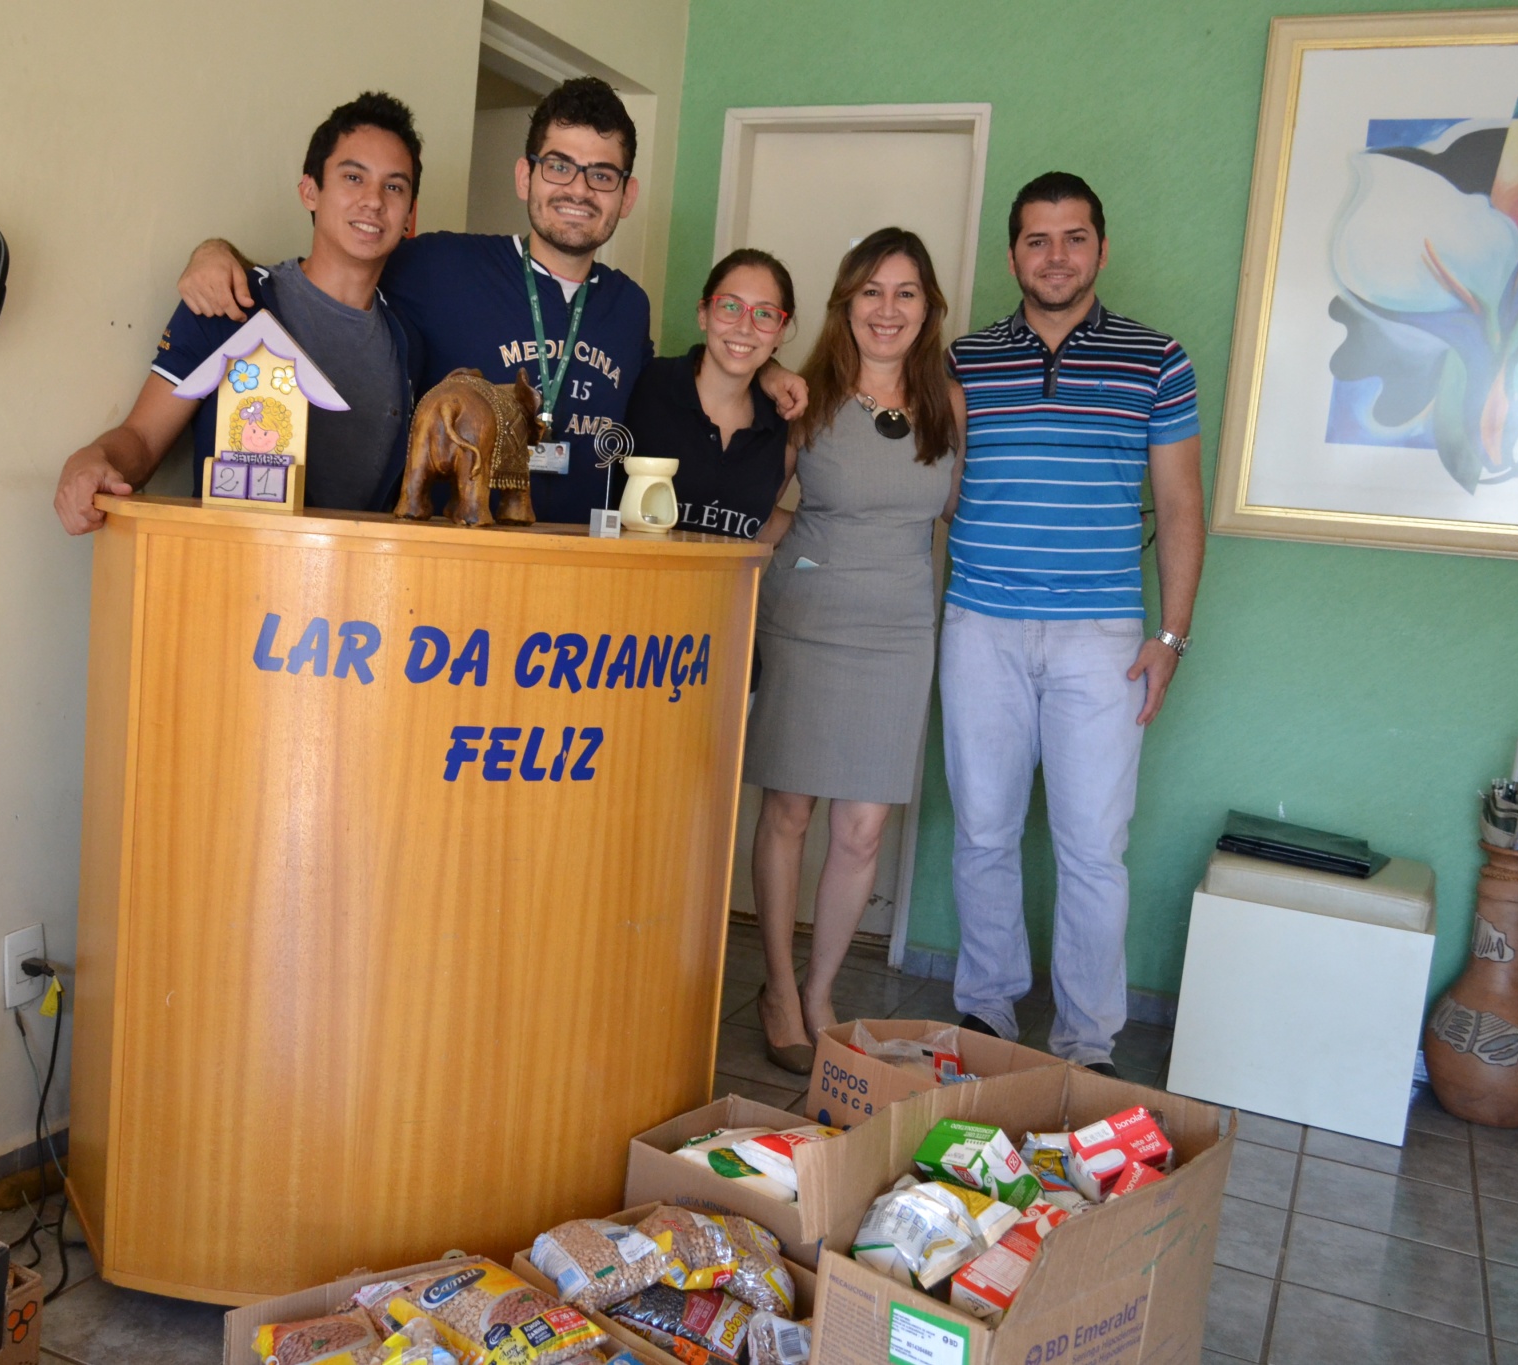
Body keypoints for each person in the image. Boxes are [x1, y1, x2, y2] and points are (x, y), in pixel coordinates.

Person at [176, 77, 806, 524]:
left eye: (602, 175)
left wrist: (765, 364)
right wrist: (217, 253)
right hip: (453, 574)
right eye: (559, 166)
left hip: (580, 580)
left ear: (627, 195)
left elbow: (682, 380)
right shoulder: (441, 265)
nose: (579, 190)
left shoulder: (628, 305)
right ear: (524, 175)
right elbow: (337, 258)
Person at [940, 172, 1205, 1076]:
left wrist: (1170, 638)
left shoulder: (1157, 359)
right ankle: (984, 1010)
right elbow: (923, 481)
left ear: (1101, 247)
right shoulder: (966, 360)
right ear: (1012, 252)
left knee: (1094, 846)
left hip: (1102, 637)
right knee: (983, 829)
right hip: (980, 625)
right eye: (1037, 240)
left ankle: (1088, 1044)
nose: (1056, 256)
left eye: (1074, 238)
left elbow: (1179, 506)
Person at [744, 228, 965, 1074]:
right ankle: (774, 987)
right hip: (808, 619)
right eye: (871, 291)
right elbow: (758, 503)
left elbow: (953, 518)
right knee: (791, 811)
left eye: (905, 292)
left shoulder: (950, 402)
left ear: (928, 308)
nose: (887, 308)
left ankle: (821, 987)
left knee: (863, 829)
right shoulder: (808, 395)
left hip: (901, 628)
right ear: (846, 303)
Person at [53, 92, 425, 535]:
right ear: (310, 191)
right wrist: (93, 461)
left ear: (409, 217)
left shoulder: (410, 344)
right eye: (352, 177)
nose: (373, 201)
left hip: (345, 596)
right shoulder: (232, 303)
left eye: (394, 186)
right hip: (226, 578)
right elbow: (143, 438)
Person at [621, 248, 796, 541]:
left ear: (780, 332)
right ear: (703, 315)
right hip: (632, 584)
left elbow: (765, 524)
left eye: (764, 314)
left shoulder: (782, 421)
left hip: (725, 587)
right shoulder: (647, 385)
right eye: (730, 306)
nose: (744, 327)